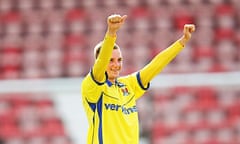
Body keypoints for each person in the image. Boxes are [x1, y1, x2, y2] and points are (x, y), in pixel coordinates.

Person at [81, 14, 195, 144]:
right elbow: (101, 63)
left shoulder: (128, 85)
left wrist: (182, 42)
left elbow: (155, 65)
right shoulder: (92, 88)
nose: (116, 65)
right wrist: (111, 33)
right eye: (110, 60)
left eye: (119, 60)